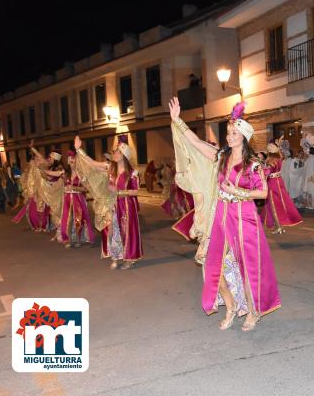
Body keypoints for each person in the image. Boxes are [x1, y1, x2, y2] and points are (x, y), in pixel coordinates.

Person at [170, 97, 280, 331]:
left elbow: (263, 193)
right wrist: (178, 120)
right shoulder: (221, 157)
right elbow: (196, 143)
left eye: (234, 133)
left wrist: (238, 191)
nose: (229, 137)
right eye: (228, 132)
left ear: (244, 137)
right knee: (213, 265)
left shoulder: (253, 164)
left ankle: (253, 311)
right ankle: (230, 306)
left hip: (244, 217)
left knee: (246, 266)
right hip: (220, 215)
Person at [73, 135, 143, 270]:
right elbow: (92, 163)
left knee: (127, 231)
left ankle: (129, 258)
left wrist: (118, 191)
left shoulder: (133, 173)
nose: (115, 154)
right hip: (113, 204)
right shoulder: (110, 168)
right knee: (112, 229)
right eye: (115, 152)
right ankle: (116, 255)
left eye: (117, 152)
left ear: (124, 155)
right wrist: (79, 150)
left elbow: (135, 192)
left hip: (128, 205)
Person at [40, 151, 95, 248]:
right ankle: (68, 239)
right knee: (67, 219)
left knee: (79, 219)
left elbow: (86, 189)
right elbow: (51, 174)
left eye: (74, 161)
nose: (72, 163)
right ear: (68, 162)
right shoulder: (65, 173)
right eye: (70, 161)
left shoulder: (82, 174)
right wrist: (42, 169)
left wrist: (74, 188)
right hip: (67, 199)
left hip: (78, 198)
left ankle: (78, 239)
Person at [261, 140, 302, 234]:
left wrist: (261, 170)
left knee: (273, 205)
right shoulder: (279, 158)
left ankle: (279, 227)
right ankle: (279, 226)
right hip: (279, 182)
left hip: (272, 183)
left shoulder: (270, 161)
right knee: (279, 204)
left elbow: (266, 173)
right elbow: (280, 155)